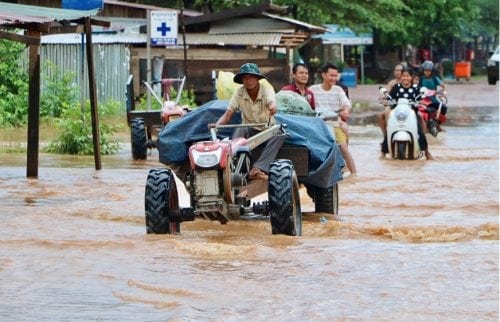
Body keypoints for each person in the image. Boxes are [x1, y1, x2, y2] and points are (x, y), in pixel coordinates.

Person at [210, 63, 286, 181]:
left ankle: (258, 168)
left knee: (281, 133)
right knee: (240, 129)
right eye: (245, 77)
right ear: (242, 80)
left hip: (266, 131)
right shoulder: (239, 92)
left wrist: (272, 107)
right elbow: (228, 115)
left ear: (257, 79)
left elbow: (272, 103)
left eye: (251, 77)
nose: (248, 80)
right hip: (248, 129)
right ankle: (233, 168)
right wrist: (216, 125)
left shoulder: (266, 90)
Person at [310, 62, 356, 175]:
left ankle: (353, 173)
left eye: (335, 76)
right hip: (317, 124)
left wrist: (346, 111)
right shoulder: (312, 90)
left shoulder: (338, 90)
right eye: (331, 75)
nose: (333, 78)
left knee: (343, 146)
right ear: (324, 75)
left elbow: (347, 104)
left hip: (334, 122)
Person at [381, 66, 433, 160]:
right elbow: (390, 98)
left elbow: (420, 98)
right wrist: (386, 100)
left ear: (412, 77)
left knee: (420, 132)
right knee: (389, 130)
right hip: (397, 115)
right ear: (401, 77)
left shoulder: (416, 88)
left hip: (412, 114)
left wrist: (420, 101)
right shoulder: (396, 87)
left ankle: (426, 152)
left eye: (408, 76)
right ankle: (383, 153)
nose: (405, 78)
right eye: (404, 76)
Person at [378, 63, 404, 137]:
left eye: (399, 70)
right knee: (381, 115)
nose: (397, 72)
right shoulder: (392, 83)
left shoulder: (406, 81)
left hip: (405, 105)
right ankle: (386, 137)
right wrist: (383, 98)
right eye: (396, 70)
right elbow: (385, 94)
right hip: (393, 104)